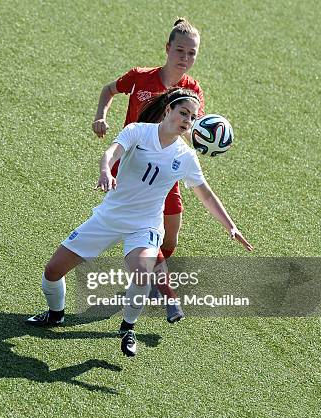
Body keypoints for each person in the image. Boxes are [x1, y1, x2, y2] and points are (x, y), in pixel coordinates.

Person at [27, 88, 253, 357]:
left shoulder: (186, 157)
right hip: (109, 217)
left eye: (192, 118)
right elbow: (112, 152)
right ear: (168, 109)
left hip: (144, 226)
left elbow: (205, 194)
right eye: (183, 113)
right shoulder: (138, 131)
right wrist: (104, 172)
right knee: (52, 272)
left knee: (143, 272)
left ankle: (128, 327)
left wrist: (230, 226)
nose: (187, 120)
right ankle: (55, 315)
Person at [92, 18, 203, 323]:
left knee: (170, 241)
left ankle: (149, 272)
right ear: (167, 49)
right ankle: (167, 296)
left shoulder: (192, 90)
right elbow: (109, 89)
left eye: (192, 53)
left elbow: (194, 129)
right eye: (180, 50)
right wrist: (101, 116)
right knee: (143, 229)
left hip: (166, 171)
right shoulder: (140, 78)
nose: (185, 58)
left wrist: (208, 139)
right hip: (133, 168)